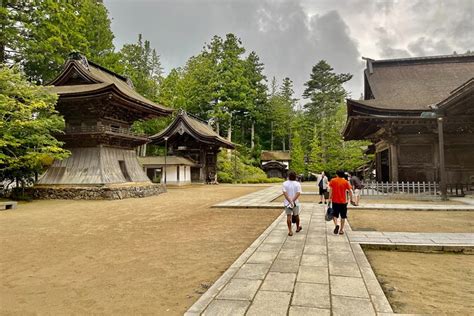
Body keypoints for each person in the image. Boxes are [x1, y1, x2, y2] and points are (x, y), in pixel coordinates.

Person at [328, 170, 354, 235]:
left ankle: (336, 224)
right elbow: (350, 190)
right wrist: (351, 199)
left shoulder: (333, 180)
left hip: (335, 200)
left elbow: (331, 190)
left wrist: (329, 198)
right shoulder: (345, 182)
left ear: (337, 174)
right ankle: (341, 230)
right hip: (343, 201)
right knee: (343, 216)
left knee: (335, 214)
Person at [282, 171, 302, 236]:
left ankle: (290, 231)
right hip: (295, 202)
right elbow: (298, 193)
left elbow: (285, 193)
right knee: (296, 215)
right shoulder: (297, 184)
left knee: (288, 216)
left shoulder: (285, 183)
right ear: (295, 177)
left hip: (287, 203)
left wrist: (290, 201)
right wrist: (293, 201)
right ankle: (297, 228)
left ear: (288, 176)